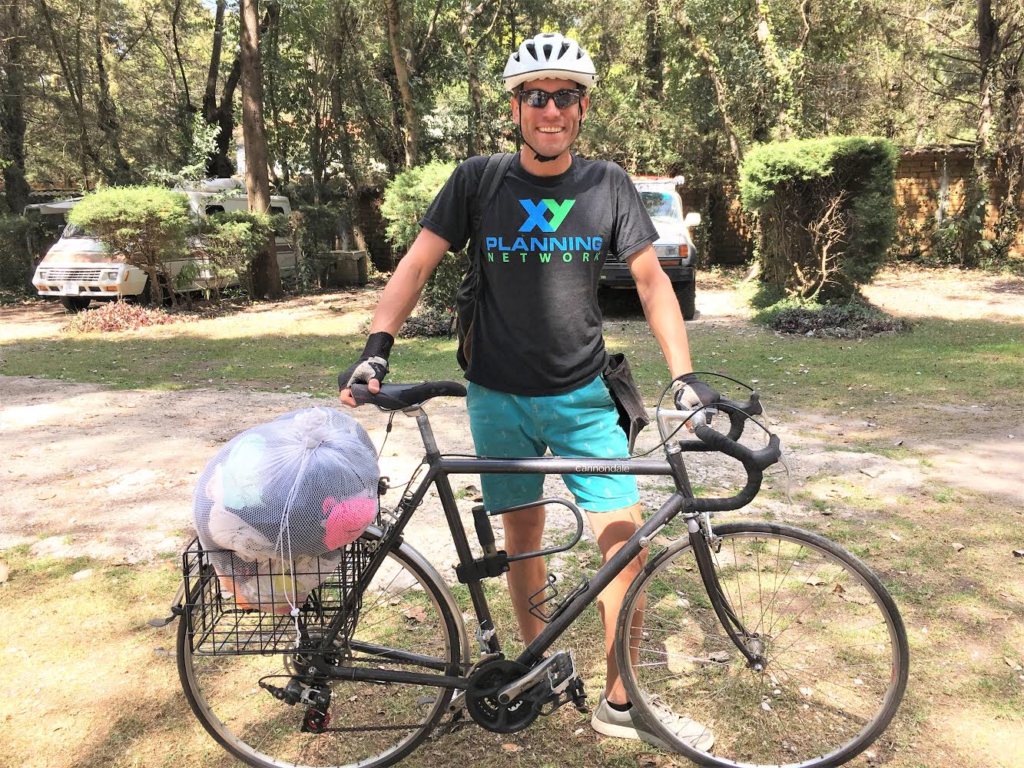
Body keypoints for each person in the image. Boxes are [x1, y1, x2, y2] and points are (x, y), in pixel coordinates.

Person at [339, 32, 716, 751]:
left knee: (625, 548)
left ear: (581, 108)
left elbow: (649, 280)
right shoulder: (478, 180)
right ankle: (532, 668)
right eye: (536, 96)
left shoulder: (607, 184)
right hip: (496, 395)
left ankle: (619, 699)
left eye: (565, 96)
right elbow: (416, 265)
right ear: (515, 107)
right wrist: (375, 348)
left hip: (582, 395)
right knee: (523, 542)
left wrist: (686, 376)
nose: (551, 109)